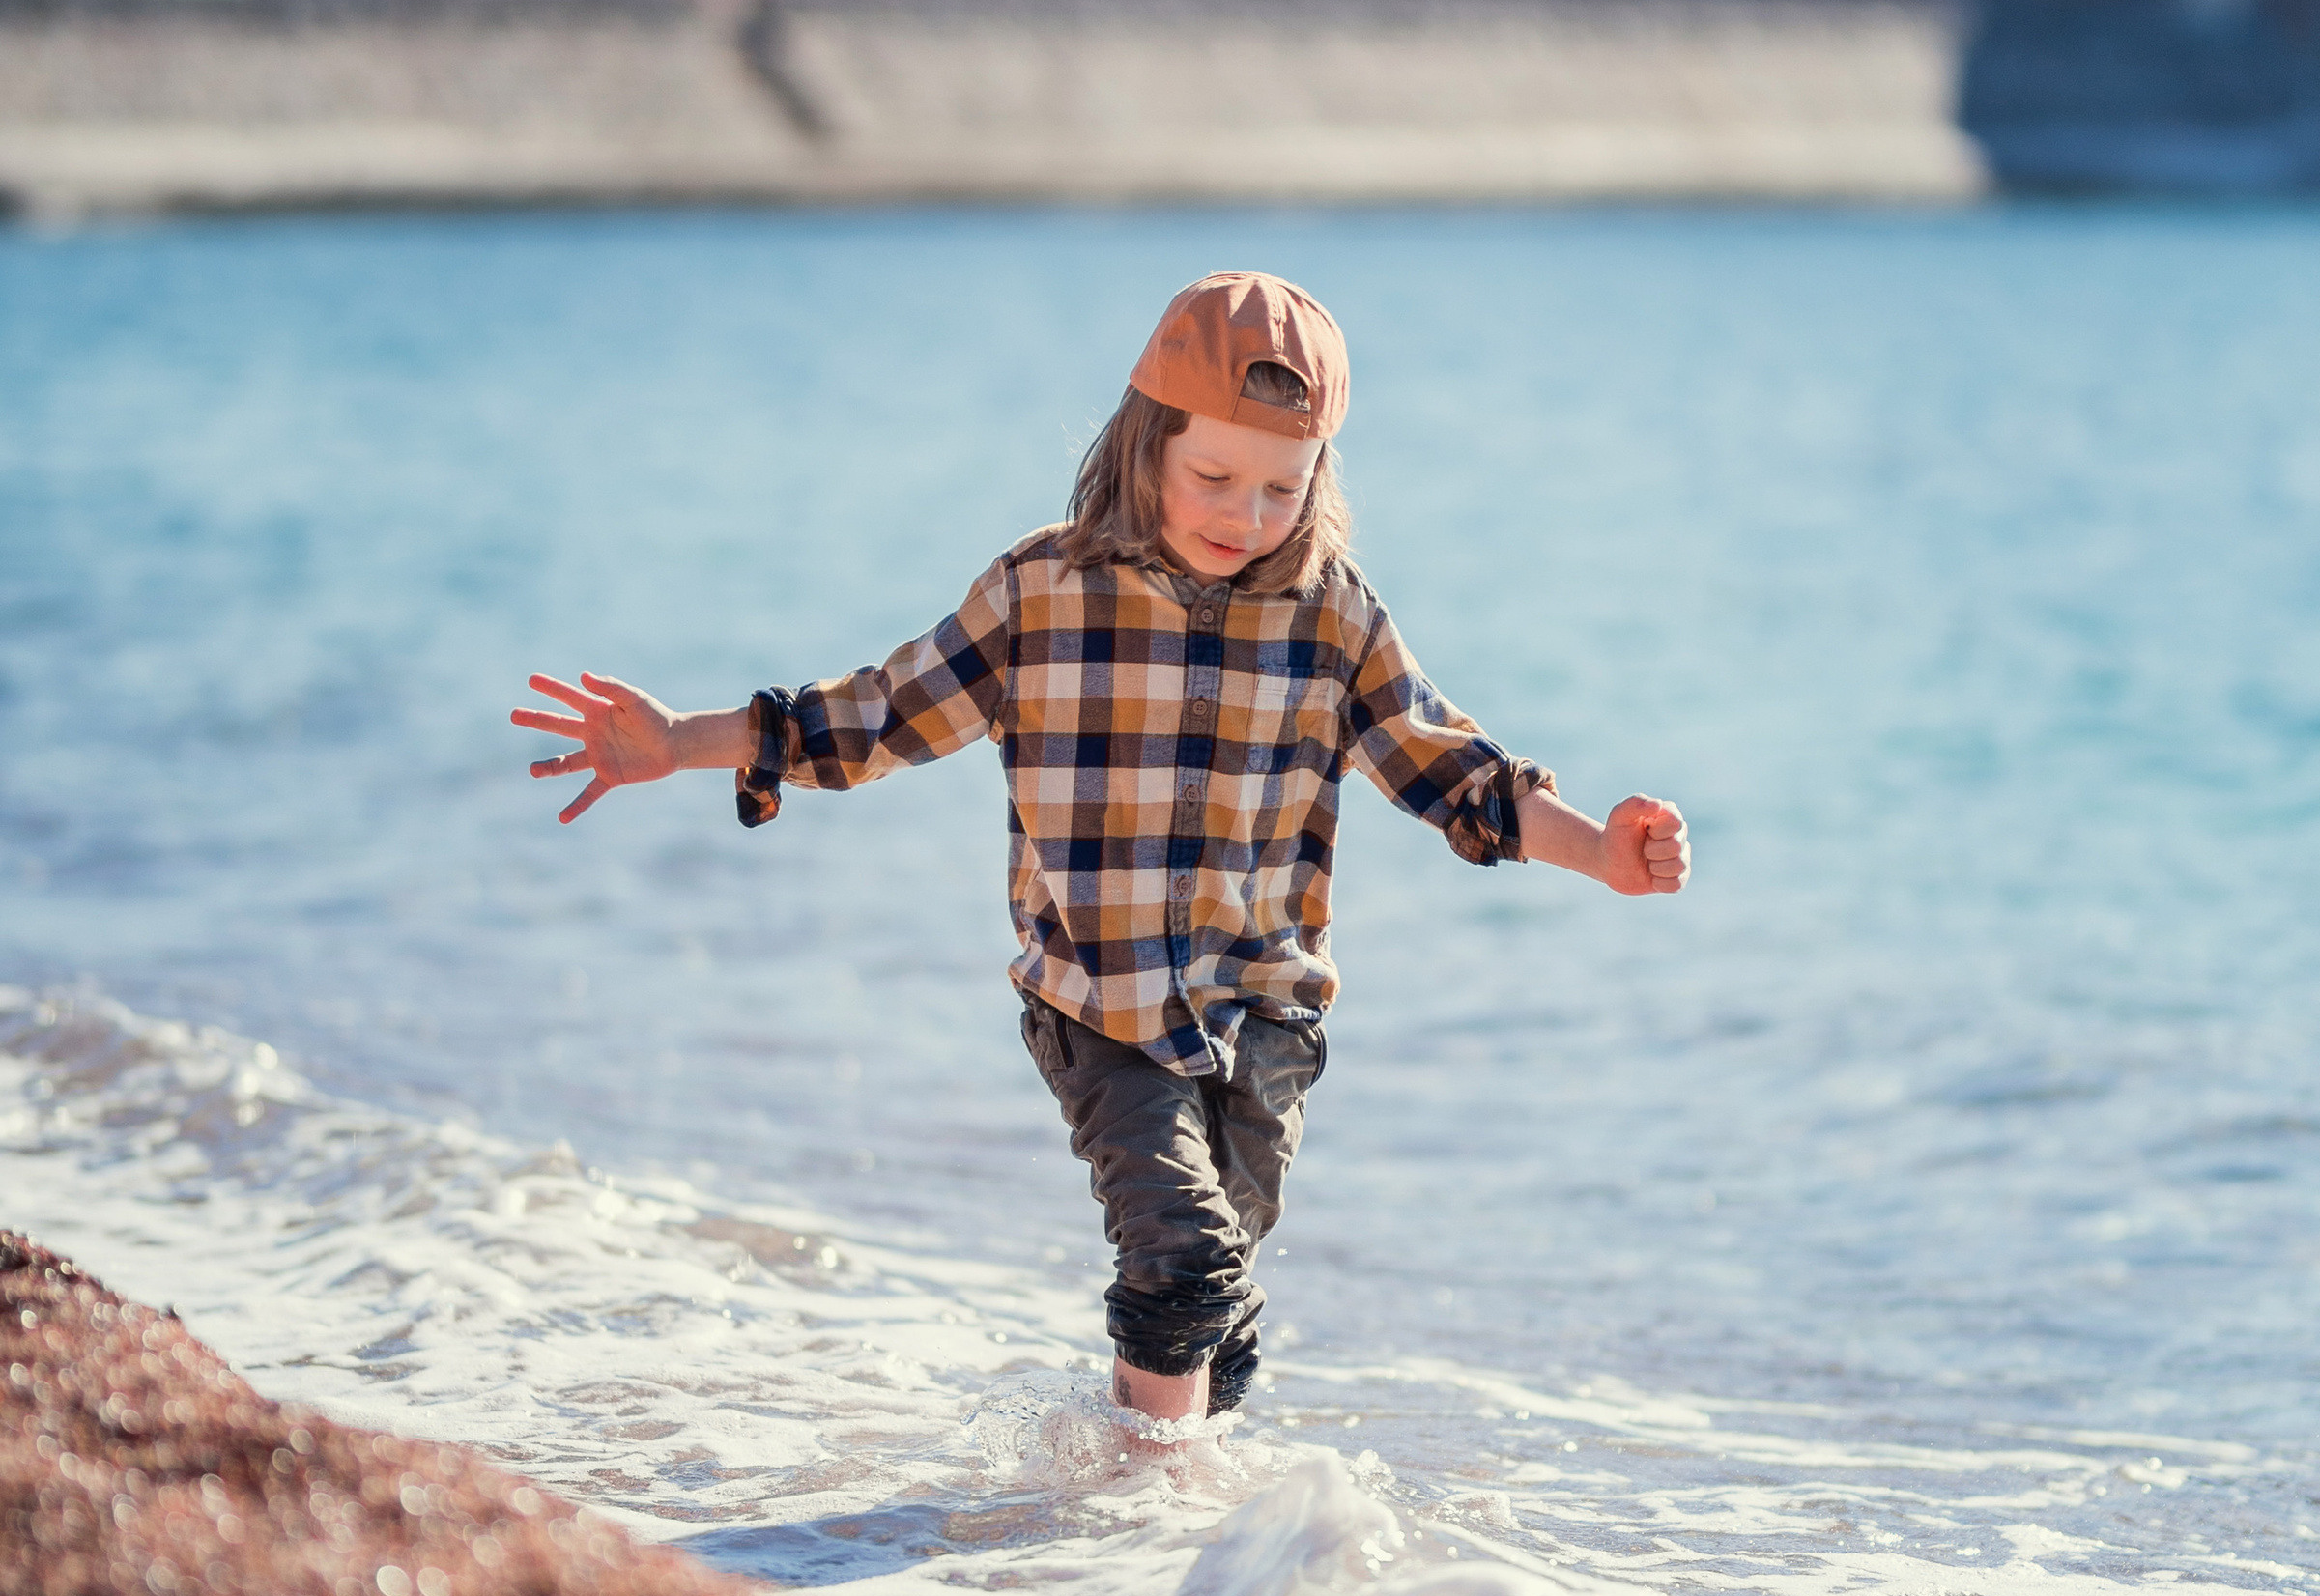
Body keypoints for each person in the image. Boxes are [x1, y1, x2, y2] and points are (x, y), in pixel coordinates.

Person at [513, 271, 1688, 1439]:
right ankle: (1150, 1511)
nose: (1243, 514)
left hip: (1264, 1018)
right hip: (1098, 1007)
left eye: (1282, 488)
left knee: (1212, 1323)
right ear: (1144, 446)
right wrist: (680, 743)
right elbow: (874, 716)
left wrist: (1600, 852)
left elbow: (1451, 772)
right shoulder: (1043, 592)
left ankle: (1129, 1496)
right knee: (1182, 1268)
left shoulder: (1335, 616)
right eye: (1212, 477)